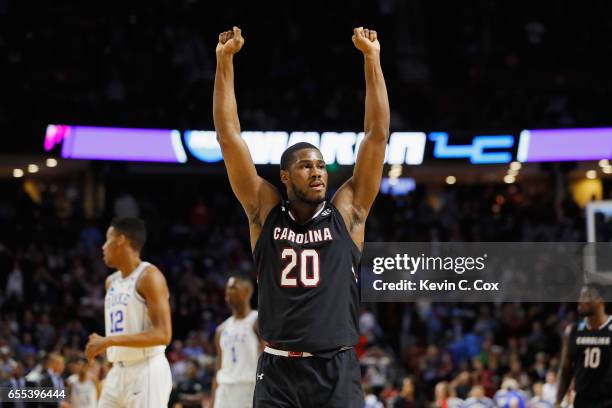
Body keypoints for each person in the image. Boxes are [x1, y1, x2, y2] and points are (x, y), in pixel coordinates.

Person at [214, 25, 389, 408]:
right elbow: (229, 137)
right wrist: (224, 62)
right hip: (278, 371)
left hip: (336, 369)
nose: (317, 173)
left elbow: (376, 136)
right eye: (306, 166)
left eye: (322, 166)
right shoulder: (265, 213)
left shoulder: (348, 211)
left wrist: (371, 60)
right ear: (285, 176)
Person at [85, 217, 173, 407]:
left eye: (107, 240)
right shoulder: (111, 282)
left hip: (146, 369)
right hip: (117, 371)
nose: (103, 247)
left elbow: (163, 334)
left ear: (121, 240)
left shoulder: (149, 276)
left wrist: (108, 341)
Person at [556, 285, 612, 408]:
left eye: (585, 296)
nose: (579, 301)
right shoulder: (572, 331)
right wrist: (558, 402)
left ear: (599, 300)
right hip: (583, 401)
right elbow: (566, 369)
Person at [212, 276, 263, 407]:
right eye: (227, 288)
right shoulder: (221, 329)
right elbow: (219, 367)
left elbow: (267, 359)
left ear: (247, 292)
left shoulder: (257, 321)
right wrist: (212, 400)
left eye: (233, 287)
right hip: (224, 388)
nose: (228, 291)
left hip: (249, 387)